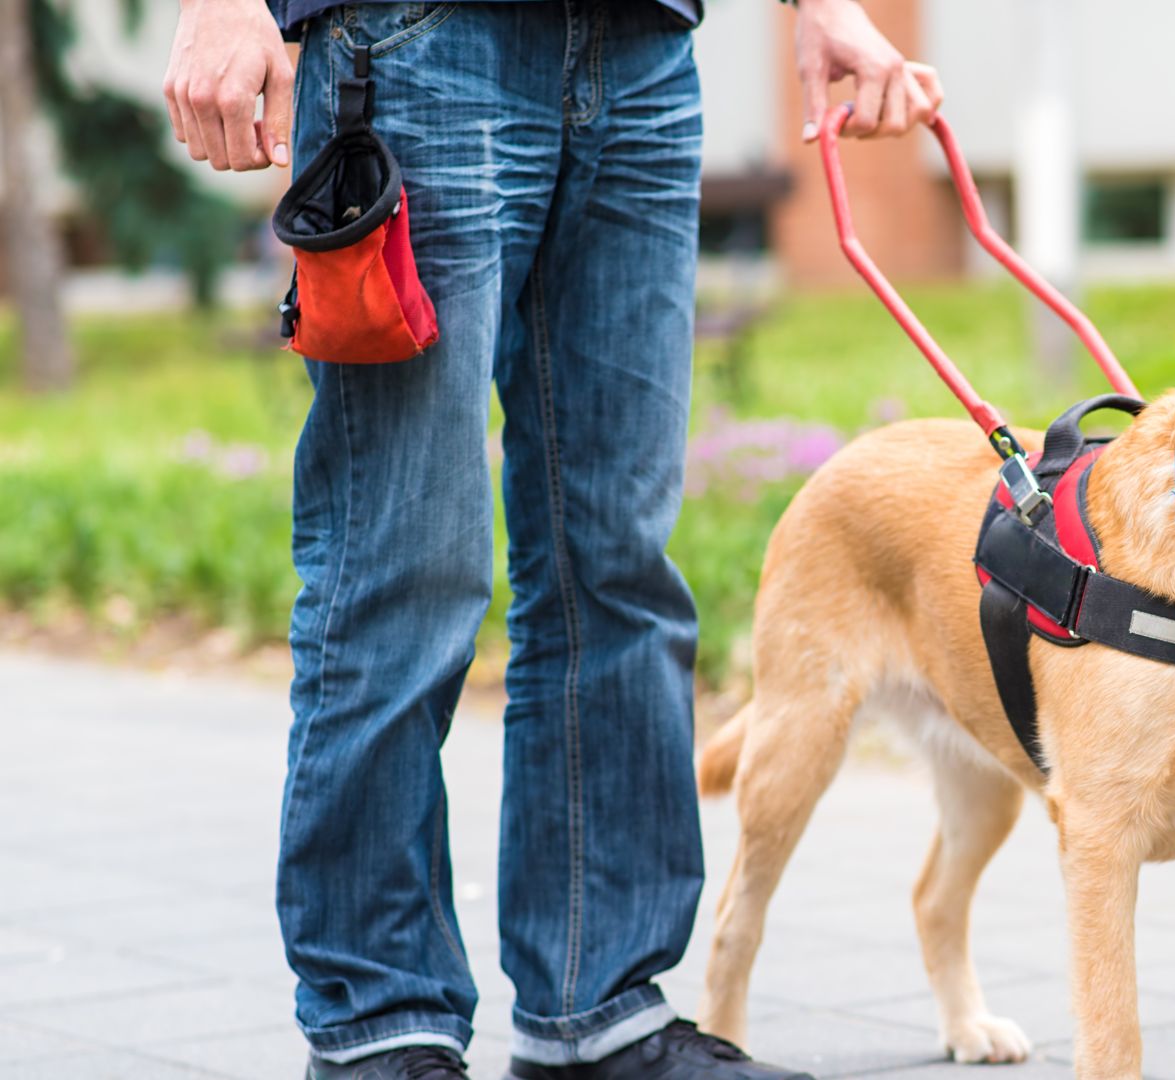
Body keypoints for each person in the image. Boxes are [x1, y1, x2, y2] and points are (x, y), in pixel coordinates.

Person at [162, 1, 942, 1077]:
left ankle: (602, 1013)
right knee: (401, 569)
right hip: (419, 42)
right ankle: (380, 1031)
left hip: (644, 52)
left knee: (616, 568)